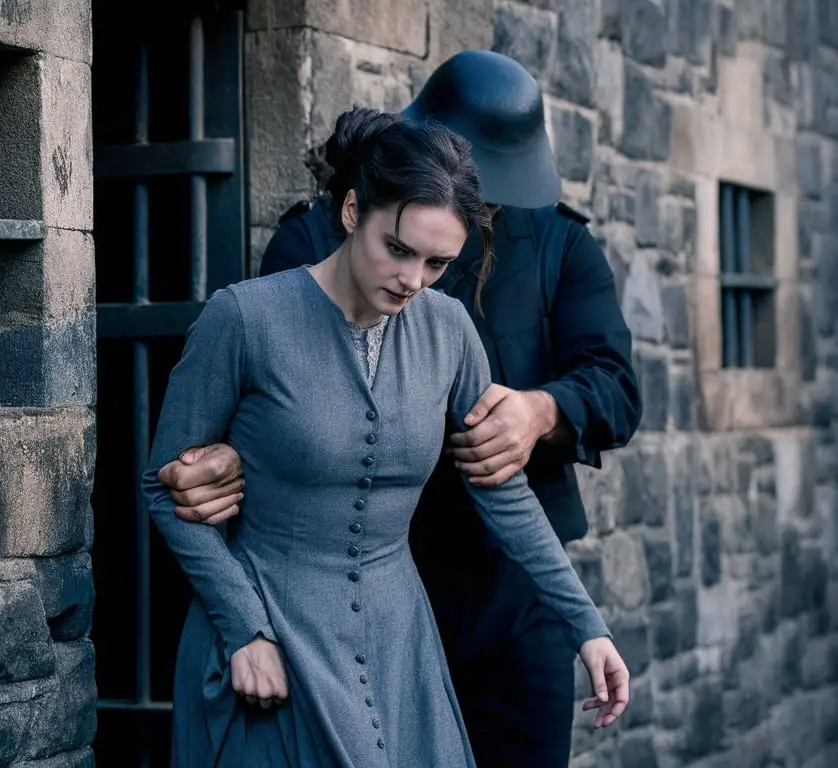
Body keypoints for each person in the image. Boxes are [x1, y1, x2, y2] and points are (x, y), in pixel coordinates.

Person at [158, 51, 642, 766]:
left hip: (441, 620)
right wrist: (244, 622)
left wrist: (588, 624)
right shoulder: (264, 292)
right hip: (302, 611)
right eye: (398, 250)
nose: (414, 280)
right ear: (354, 208)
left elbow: (533, 470)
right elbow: (188, 464)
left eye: (439, 264)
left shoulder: (488, 297)